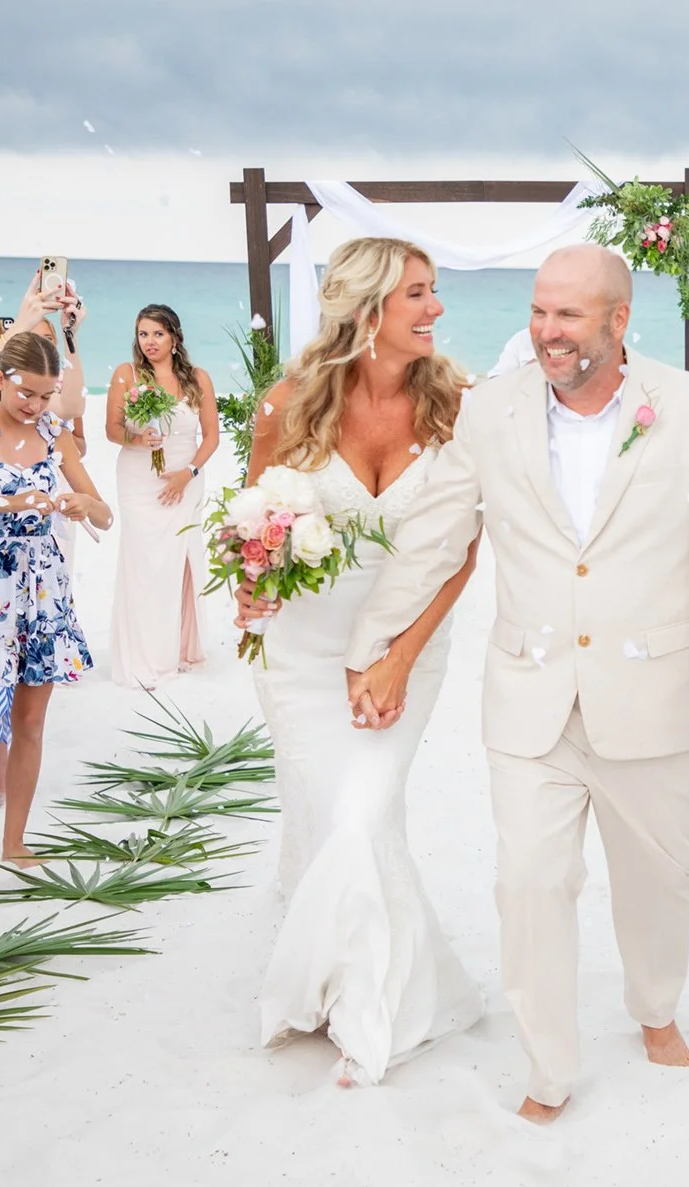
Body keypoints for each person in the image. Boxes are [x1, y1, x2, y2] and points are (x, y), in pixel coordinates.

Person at [338, 244, 689, 1123]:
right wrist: (370, 641)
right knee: (530, 884)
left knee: (660, 880)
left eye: (569, 316)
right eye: (540, 312)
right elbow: (435, 536)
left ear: (618, 320)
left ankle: (654, 1006)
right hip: (529, 696)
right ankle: (548, 1066)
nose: (547, 332)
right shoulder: (487, 412)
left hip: (656, 695)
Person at [243, 238, 484, 1089]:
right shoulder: (288, 405)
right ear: (367, 307)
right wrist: (249, 590)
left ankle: (368, 1007)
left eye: (434, 291)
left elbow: (462, 550)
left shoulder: (458, 406)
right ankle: (335, 983)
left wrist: (398, 658)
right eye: (418, 293)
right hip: (301, 650)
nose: (436, 309)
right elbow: (252, 523)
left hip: (405, 641)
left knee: (362, 810)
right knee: (326, 812)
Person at [0, 333, 110, 865]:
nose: (36, 405)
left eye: (46, 396)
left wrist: (81, 502)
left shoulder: (55, 433)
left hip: (42, 589)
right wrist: (12, 500)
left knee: (30, 722)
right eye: (27, 392)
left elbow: (105, 514)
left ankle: (14, 842)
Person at [105, 304, 218, 688]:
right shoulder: (127, 374)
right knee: (143, 562)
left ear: (174, 336)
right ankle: (144, 654)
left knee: (179, 561)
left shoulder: (197, 379)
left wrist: (188, 473)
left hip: (185, 479)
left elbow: (212, 437)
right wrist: (137, 439)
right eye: (142, 334)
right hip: (139, 479)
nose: (149, 342)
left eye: (157, 333)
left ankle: (179, 647)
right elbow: (111, 429)